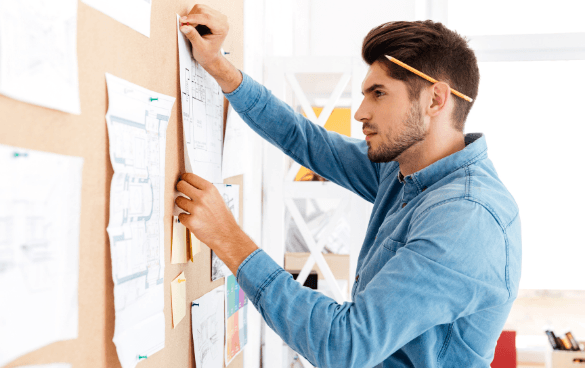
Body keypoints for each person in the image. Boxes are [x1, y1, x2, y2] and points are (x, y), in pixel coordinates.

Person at [175, 4, 521, 368]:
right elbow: (304, 139)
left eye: (378, 93)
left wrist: (228, 237)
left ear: (435, 99)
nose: (360, 113)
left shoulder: (466, 219)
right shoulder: (407, 169)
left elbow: (346, 345)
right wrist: (218, 65)